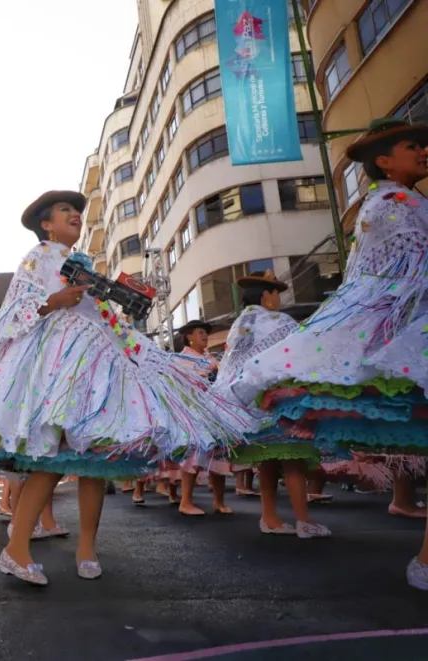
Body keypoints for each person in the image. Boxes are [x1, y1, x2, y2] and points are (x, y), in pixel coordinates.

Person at [0, 190, 253, 585]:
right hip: (56, 365)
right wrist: (53, 300)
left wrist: (134, 333)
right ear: (46, 224)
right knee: (47, 461)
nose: (75, 216)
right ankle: (16, 548)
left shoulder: (82, 264)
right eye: (65, 210)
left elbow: (106, 317)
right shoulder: (37, 258)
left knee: (95, 462)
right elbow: (14, 310)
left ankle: (87, 547)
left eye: (77, 212)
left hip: (96, 365)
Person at [232, 118, 428, 584]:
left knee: (277, 461)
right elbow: (403, 275)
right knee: (285, 460)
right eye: (412, 146)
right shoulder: (393, 204)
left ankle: (280, 516)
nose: (423, 151)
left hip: (267, 394)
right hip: (278, 392)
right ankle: (292, 518)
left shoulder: (399, 201)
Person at [213, 271, 329, 538]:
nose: (278, 298)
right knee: (293, 460)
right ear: (266, 295)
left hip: (249, 404)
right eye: (276, 293)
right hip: (280, 401)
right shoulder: (279, 321)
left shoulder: (239, 325)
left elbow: (233, 367)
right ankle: (303, 520)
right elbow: (300, 353)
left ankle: (270, 518)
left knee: (267, 461)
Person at [173, 320, 233, 516]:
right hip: (194, 412)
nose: (205, 336)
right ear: (189, 336)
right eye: (200, 332)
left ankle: (219, 501)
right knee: (194, 454)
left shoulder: (209, 357)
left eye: (206, 333)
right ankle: (185, 501)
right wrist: (207, 373)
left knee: (219, 454)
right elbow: (182, 386)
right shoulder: (182, 359)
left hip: (215, 411)